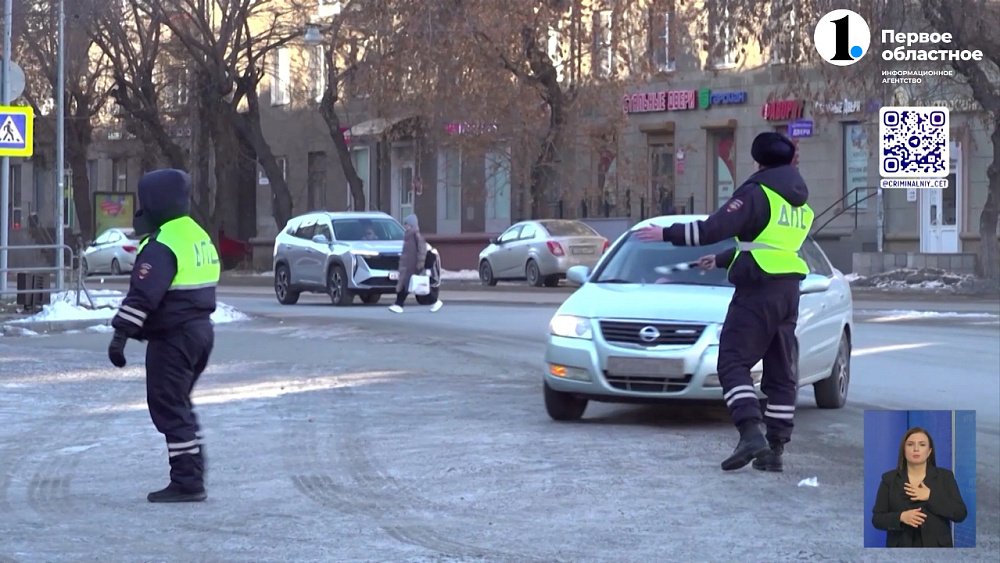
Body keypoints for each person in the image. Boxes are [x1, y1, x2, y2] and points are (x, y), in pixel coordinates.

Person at [635, 131, 813, 472]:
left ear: (758, 160)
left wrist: (666, 233)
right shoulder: (798, 201)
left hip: (757, 288)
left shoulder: (756, 193)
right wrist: (719, 260)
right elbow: (768, 242)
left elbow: (710, 229)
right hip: (788, 290)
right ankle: (775, 450)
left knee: (732, 362)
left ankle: (750, 433)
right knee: (781, 371)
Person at [106, 168, 220, 503]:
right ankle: (192, 469)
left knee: (169, 406)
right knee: (179, 405)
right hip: (200, 332)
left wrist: (120, 334)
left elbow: (144, 295)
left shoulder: (163, 242)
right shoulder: (196, 233)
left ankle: (187, 481)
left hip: (174, 338)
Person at [871, 427, 968, 547]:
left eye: (922, 445)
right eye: (910, 444)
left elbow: (960, 513)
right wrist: (901, 517)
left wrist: (930, 496)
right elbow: (877, 519)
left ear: (929, 451)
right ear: (904, 450)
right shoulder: (889, 479)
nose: (916, 449)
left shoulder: (945, 477)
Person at [389, 213, 443, 313]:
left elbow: (422, 252)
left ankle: (399, 305)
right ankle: (398, 305)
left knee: (414, 287)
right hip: (408, 267)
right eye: (405, 224)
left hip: (413, 267)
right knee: (410, 287)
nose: (405, 226)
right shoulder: (408, 237)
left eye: (407, 224)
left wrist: (420, 265)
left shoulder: (416, 236)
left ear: (412, 225)